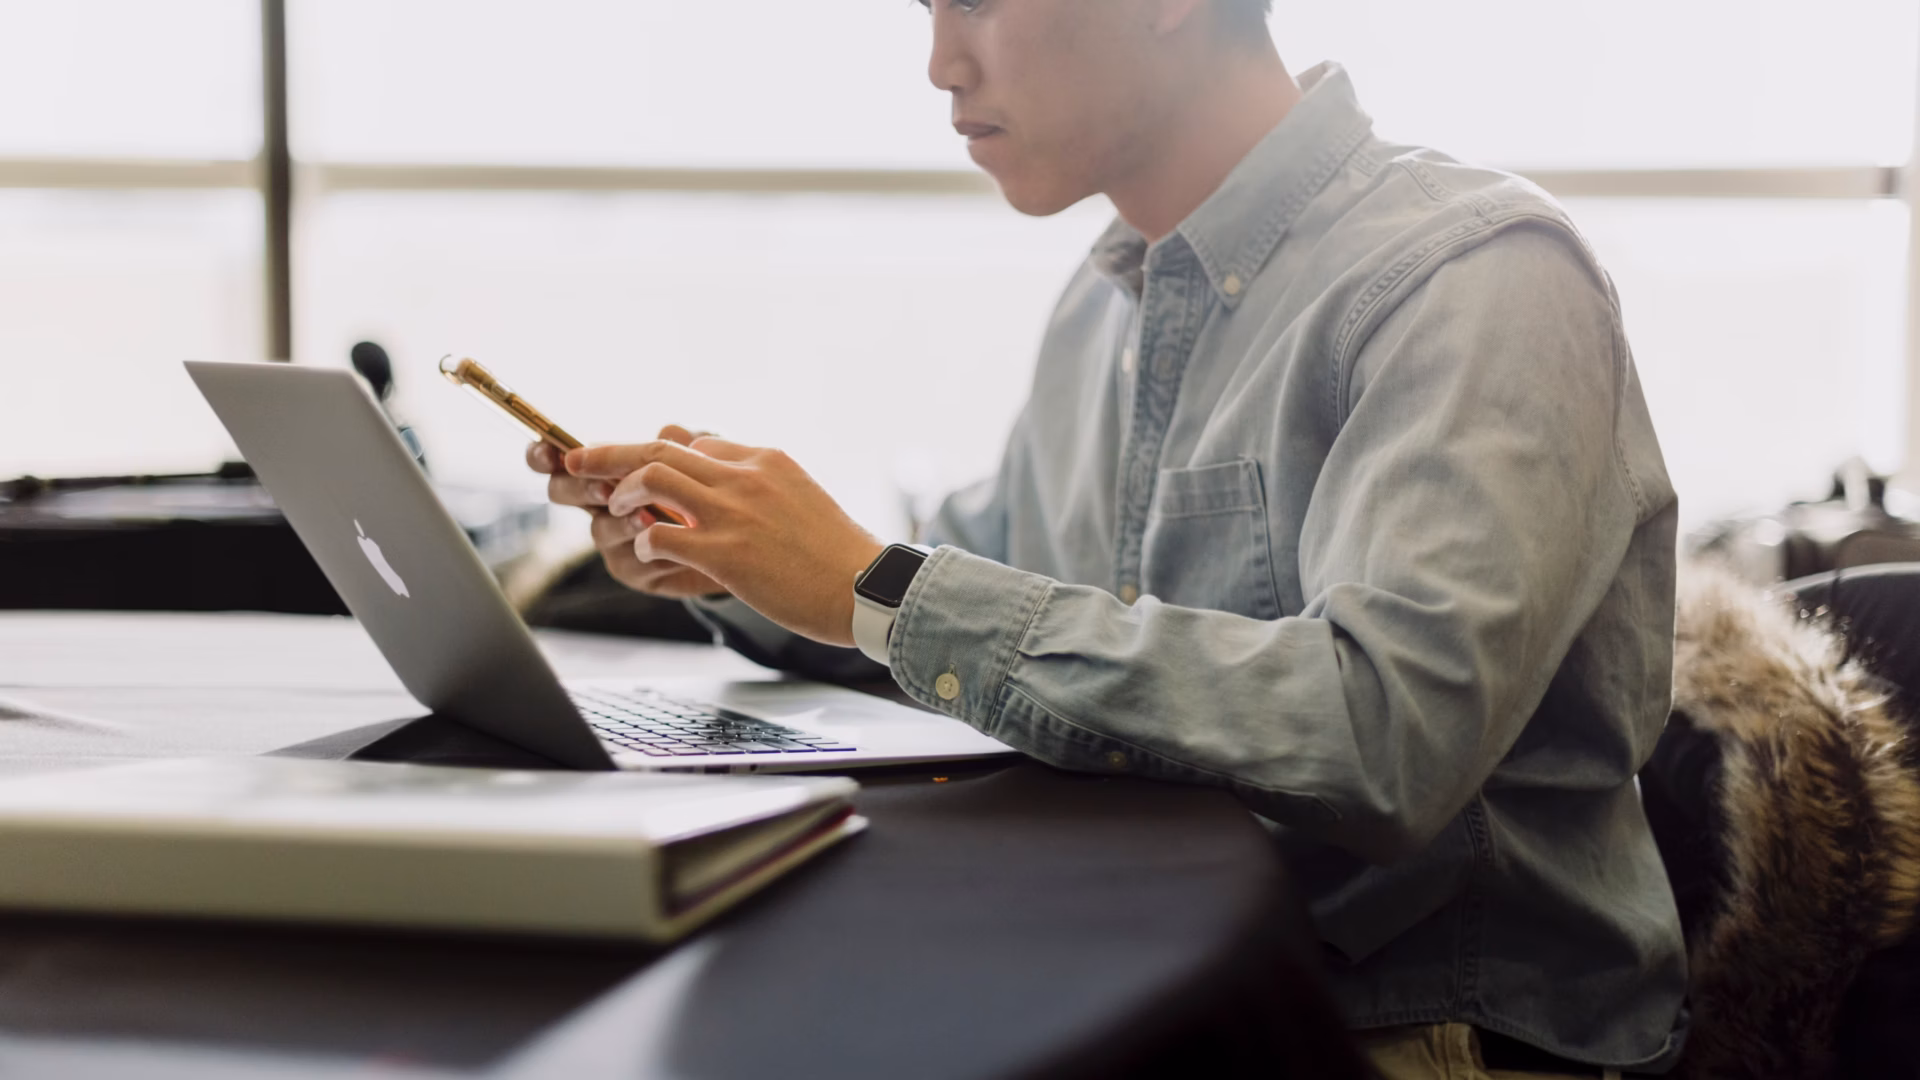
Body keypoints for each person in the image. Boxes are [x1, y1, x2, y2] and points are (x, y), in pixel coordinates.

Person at [529, 1, 1686, 1075]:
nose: (940, 64)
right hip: (1155, 975)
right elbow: (953, 615)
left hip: (1421, 1033)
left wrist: (876, 584)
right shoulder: (1105, 306)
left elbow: (1384, 735)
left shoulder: (1473, 277)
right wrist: (739, 564)